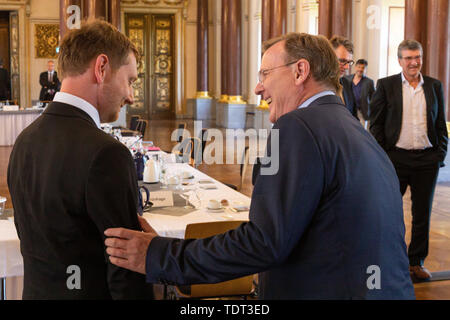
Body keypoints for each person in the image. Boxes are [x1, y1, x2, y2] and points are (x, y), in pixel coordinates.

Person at [104, 33, 415, 299]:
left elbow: (264, 242)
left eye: (265, 74)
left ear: (300, 71)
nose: (257, 88)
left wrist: (158, 255)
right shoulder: (356, 132)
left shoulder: (297, 127)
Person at [8, 20, 154, 299]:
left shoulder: (24, 140)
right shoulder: (107, 153)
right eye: (130, 80)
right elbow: (126, 269)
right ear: (101, 68)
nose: (131, 96)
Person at [370, 39, 448, 280]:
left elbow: (439, 124)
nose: (414, 62)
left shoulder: (434, 86)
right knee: (389, 211)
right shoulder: (386, 85)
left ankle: (416, 263)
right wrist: (383, 157)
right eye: (408, 58)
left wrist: (439, 154)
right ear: (399, 60)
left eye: (417, 57)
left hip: (427, 160)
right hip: (395, 159)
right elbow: (376, 125)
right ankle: (388, 261)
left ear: (421, 58)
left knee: (422, 214)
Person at [330, 35, 357, 119]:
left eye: (349, 62)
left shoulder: (347, 83)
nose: (347, 67)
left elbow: (354, 117)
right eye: (342, 61)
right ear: (329, 57)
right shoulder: (318, 85)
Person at [345, 59, 375, 129]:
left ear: (365, 69)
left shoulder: (369, 82)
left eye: (363, 68)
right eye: (359, 67)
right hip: (349, 110)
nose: (360, 69)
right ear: (355, 67)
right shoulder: (346, 79)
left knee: (361, 132)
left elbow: (373, 99)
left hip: (362, 113)